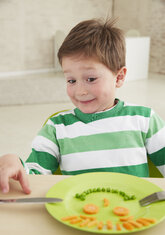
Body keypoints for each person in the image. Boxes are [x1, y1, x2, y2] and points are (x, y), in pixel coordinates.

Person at [0, 18, 165, 194]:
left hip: (135, 217)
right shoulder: (56, 128)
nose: (80, 91)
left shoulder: (145, 119)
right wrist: (13, 162)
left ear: (119, 77)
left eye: (91, 79)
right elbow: (33, 177)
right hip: (78, 217)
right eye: (71, 80)